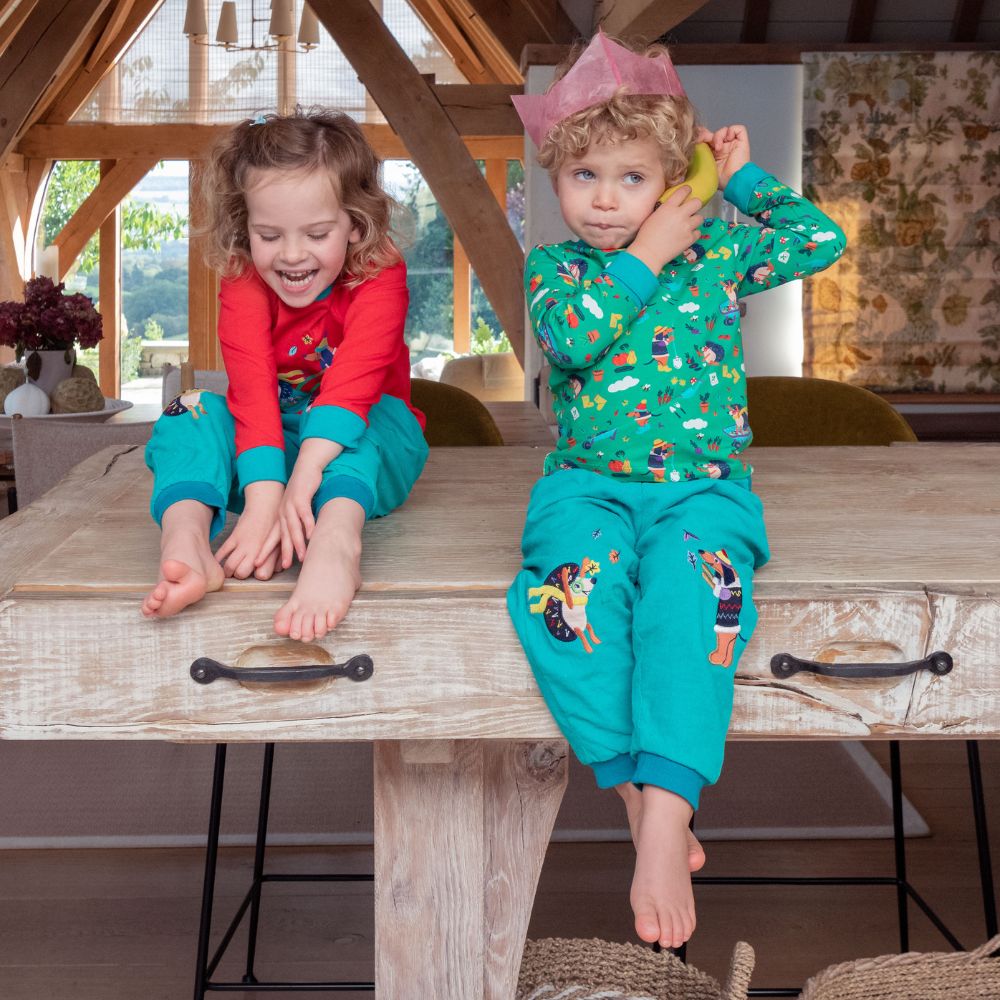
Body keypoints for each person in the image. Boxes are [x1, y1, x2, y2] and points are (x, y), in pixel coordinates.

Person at [508, 34, 846, 950]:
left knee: (694, 615)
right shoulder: (558, 272)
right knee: (561, 609)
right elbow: (573, 341)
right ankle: (638, 795)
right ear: (558, 181)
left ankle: (665, 814)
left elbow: (822, 239)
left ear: (670, 177)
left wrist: (739, 182)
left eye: (630, 177)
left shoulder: (720, 250)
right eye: (585, 176)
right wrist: (645, 252)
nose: (607, 198)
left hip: (704, 495)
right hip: (587, 490)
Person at [142, 109, 428, 641]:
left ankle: (337, 543)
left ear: (355, 224)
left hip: (368, 438)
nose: (292, 255)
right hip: (269, 444)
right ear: (244, 226)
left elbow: (354, 383)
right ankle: (187, 541)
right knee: (189, 409)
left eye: (317, 233)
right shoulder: (242, 276)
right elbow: (250, 391)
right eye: (269, 234)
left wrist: (300, 481)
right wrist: (263, 499)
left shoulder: (380, 272)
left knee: (361, 428)